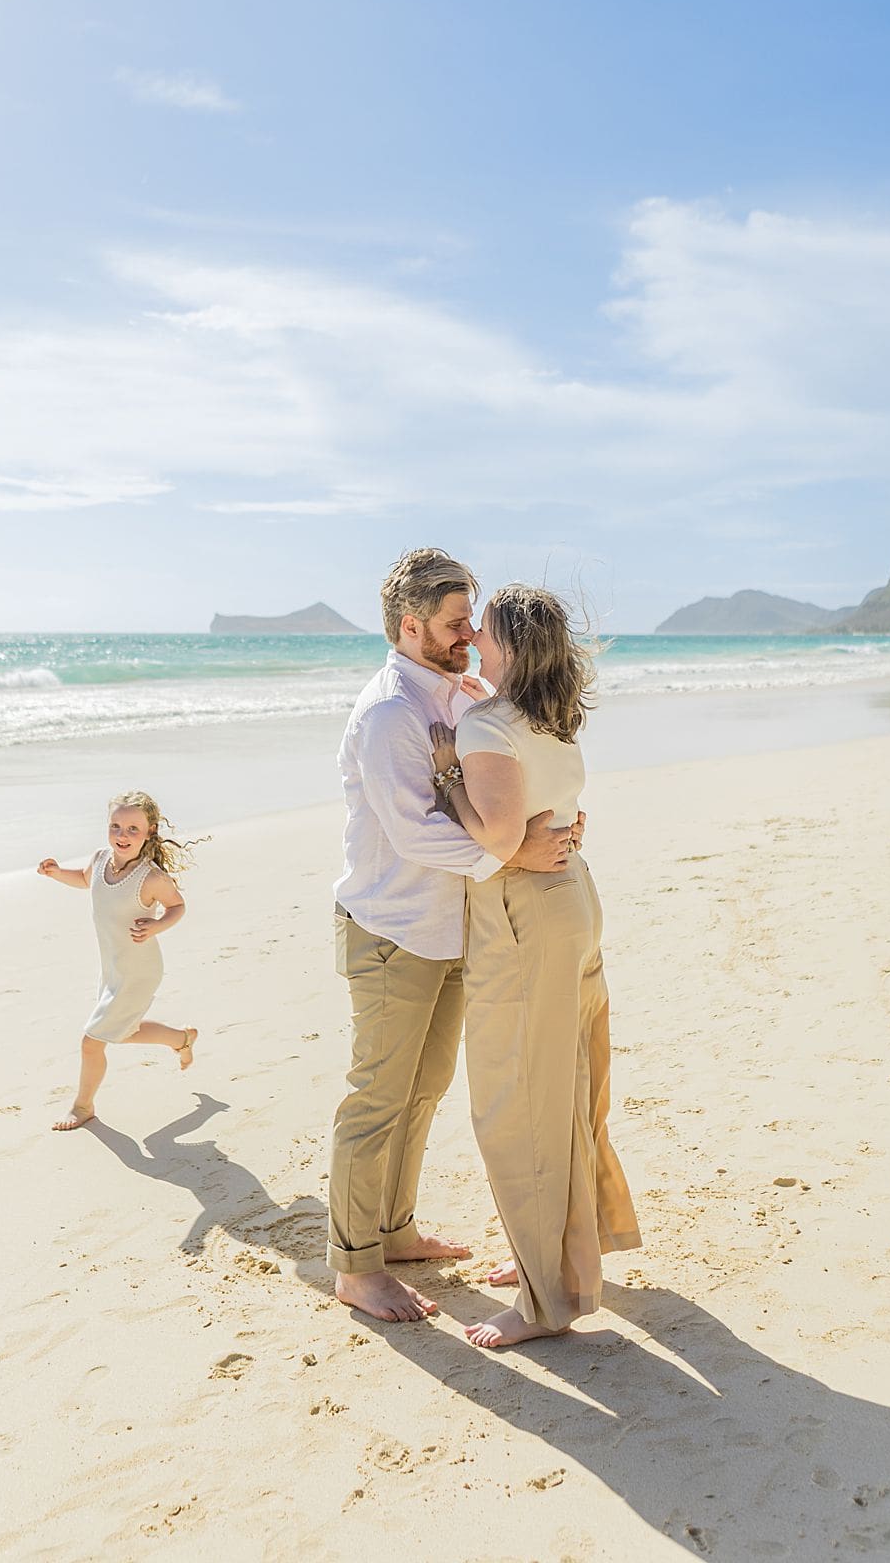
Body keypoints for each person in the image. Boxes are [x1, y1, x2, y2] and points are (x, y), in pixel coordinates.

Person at [328, 549, 579, 1323]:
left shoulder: (463, 693)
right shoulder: (389, 714)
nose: (470, 632)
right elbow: (412, 833)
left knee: (424, 1090)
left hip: (453, 928)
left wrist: (556, 823)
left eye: (472, 618)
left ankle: (396, 1231)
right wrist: (511, 851)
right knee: (378, 1098)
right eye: (453, 622)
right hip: (391, 927)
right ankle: (354, 1266)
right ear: (410, 627)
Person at [430, 583, 640, 1347]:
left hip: (526, 916)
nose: (473, 637)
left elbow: (497, 835)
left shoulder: (488, 725)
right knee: (573, 1086)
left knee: (519, 1107)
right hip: (572, 899)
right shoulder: (552, 720)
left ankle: (544, 1301)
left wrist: (448, 772)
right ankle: (558, 1258)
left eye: (483, 629)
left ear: (511, 645)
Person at [39, 790, 199, 1131]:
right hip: (113, 967)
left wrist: (157, 925)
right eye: (115, 826)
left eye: (132, 829)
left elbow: (178, 906)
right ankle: (181, 1039)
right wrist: (56, 873)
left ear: (150, 831)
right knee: (122, 1033)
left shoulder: (150, 877)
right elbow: (84, 880)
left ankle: (83, 1106)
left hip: (138, 972)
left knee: (92, 1041)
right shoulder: (99, 860)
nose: (122, 836)